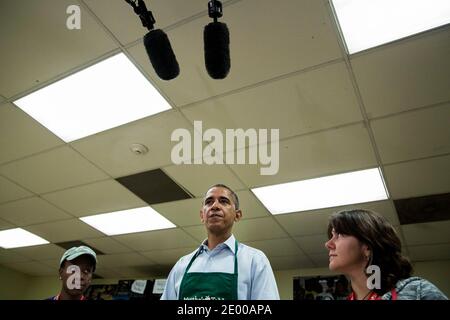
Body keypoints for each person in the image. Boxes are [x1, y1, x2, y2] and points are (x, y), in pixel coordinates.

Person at [161, 184, 280, 300]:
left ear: (237, 215)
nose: (215, 206)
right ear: (202, 215)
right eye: (209, 202)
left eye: (223, 201)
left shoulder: (255, 261)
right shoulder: (182, 265)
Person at [325, 209, 448, 300]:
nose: (328, 244)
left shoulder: (418, 291)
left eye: (340, 235)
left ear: (367, 246)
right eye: (332, 236)